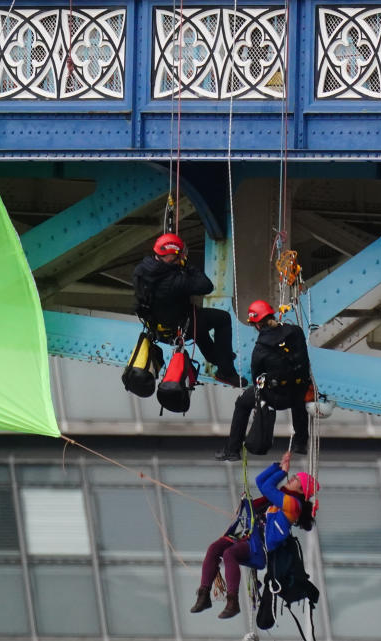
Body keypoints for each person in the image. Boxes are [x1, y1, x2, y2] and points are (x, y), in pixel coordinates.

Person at [191, 451, 318, 619]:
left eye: (295, 479)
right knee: (215, 548)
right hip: (252, 538)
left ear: (301, 490)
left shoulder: (293, 504)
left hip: (260, 548)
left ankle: (233, 601)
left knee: (230, 554)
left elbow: (265, 487)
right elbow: (260, 481)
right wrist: (277, 467)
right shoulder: (280, 499)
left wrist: (282, 472)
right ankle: (203, 594)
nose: (290, 479)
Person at [132, 233, 245, 387]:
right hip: (179, 328)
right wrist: (186, 265)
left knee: (200, 327)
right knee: (223, 319)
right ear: (172, 257)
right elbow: (206, 286)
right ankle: (226, 372)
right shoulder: (174, 281)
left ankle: (219, 358)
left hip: (157, 327)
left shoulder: (141, 270)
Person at [216, 300, 311, 461]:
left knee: (242, 403)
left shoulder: (261, 348)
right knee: (298, 392)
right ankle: (300, 442)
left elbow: (256, 376)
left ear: (257, 325)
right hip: (297, 393)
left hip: (276, 397)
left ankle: (232, 450)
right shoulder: (296, 331)